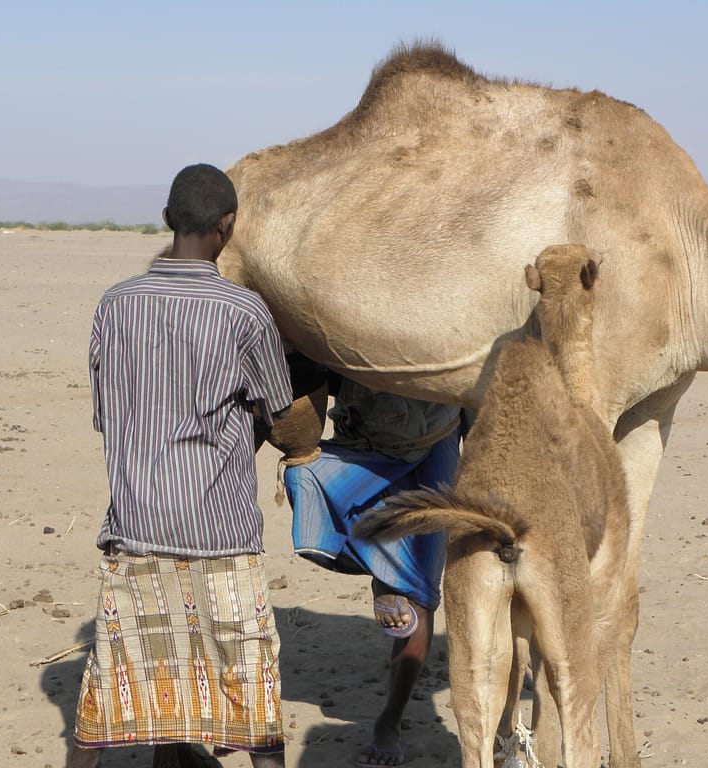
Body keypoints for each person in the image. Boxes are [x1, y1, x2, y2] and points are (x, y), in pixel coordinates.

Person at [67, 164, 292, 768]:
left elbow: (106, 412)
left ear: (167, 220)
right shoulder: (244, 313)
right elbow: (281, 415)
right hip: (219, 531)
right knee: (250, 686)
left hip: (135, 524)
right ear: (227, 228)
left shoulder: (115, 305)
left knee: (115, 676)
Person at [282, 376, 462, 768]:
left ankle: (389, 720)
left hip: (436, 435)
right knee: (303, 476)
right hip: (364, 436)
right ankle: (380, 572)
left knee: (419, 593)